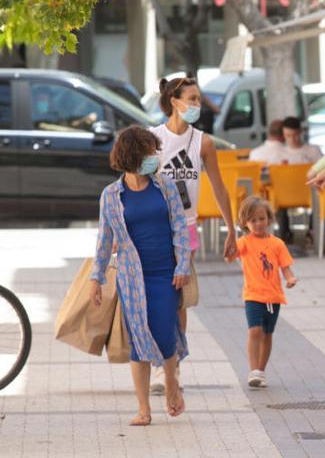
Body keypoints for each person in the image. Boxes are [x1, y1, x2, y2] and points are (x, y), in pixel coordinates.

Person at [89, 126, 190, 426]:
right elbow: (105, 239)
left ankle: (172, 382)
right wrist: (97, 277)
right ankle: (143, 409)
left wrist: (183, 264)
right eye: (149, 152)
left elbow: (180, 227)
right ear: (134, 155)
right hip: (132, 278)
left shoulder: (165, 186)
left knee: (163, 333)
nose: (154, 157)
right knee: (138, 341)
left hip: (165, 274)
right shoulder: (111, 196)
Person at [150, 77, 238, 395]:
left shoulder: (204, 142)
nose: (197, 105)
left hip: (185, 230)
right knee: (156, 299)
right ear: (175, 102)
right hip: (154, 228)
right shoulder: (153, 139)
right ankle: (160, 362)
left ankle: (171, 369)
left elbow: (218, 187)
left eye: (199, 100)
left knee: (178, 302)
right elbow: (135, 183)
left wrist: (231, 231)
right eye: (192, 99)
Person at [232, 196, 297, 388]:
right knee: (255, 331)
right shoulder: (244, 242)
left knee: (268, 334)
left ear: (269, 218)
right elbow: (230, 255)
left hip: (273, 297)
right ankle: (253, 370)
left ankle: (261, 370)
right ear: (245, 223)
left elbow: (285, 266)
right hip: (252, 295)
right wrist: (229, 247)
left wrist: (290, 278)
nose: (258, 224)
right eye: (253, 220)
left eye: (262, 218)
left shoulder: (277, 244)